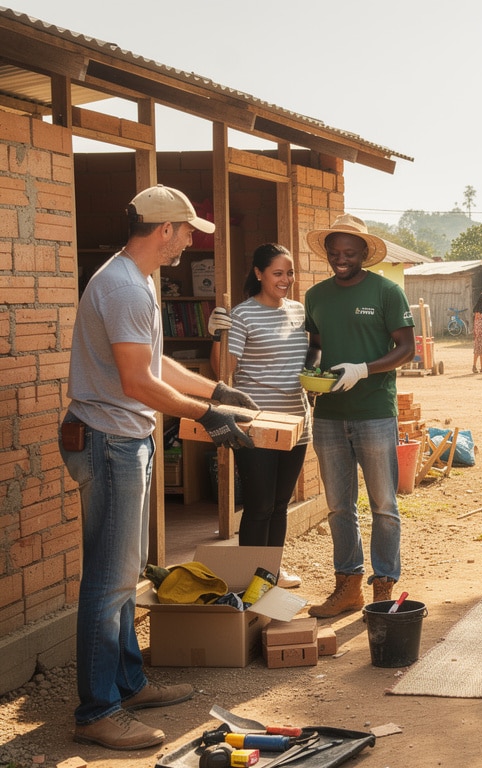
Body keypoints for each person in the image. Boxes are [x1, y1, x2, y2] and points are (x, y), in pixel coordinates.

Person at [62, 185, 256, 750]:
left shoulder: (139, 281)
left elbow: (157, 363)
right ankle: (97, 710)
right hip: (111, 441)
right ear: (163, 230)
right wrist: (209, 416)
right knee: (109, 581)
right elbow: (137, 383)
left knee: (121, 574)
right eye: (187, 230)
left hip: (124, 439)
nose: (191, 240)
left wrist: (217, 389)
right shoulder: (122, 286)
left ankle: (127, 683)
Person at [303, 214, 415, 618]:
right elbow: (315, 344)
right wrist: (310, 371)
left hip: (373, 412)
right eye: (334, 253)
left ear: (364, 254)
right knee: (338, 506)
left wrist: (363, 369)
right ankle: (347, 586)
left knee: (384, 504)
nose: (341, 259)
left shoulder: (387, 292)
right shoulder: (316, 296)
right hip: (329, 413)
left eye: (349, 253)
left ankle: (383, 586)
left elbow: (407, 348)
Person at [206, 244, 311, 589]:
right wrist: (217, 335)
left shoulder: (298, 311)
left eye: (290, 273)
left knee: (280, 504)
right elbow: (223, 369)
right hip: (258, 424)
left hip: (297, 423)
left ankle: (270, 575)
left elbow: (307, 358)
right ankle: (249, 579)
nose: (286, 280)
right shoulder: (243, 315)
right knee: (259, 505)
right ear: (259, 273)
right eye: (278, 273)